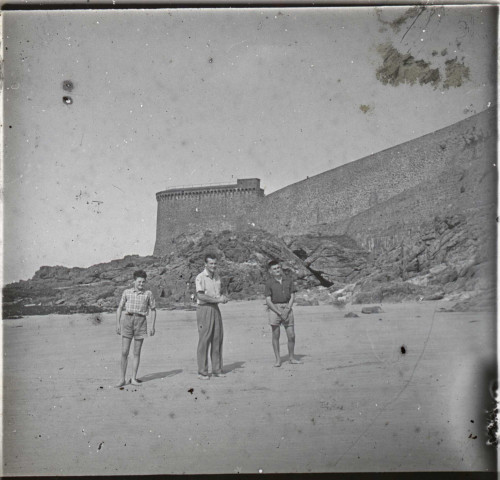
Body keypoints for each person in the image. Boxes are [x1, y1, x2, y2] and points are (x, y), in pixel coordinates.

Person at [115, 269, 156, 387]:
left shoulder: (148, 294)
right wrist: (117, 324)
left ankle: (133, 378)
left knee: (136, 352)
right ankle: (122, 379)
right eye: (139, 281)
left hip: (141, 322)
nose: (141, 284)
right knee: (124, 352)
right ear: (134, 281)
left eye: (143, 282)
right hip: (128, 321)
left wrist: (152, 325)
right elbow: (119, 308)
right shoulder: (126, 292)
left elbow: (153, 309)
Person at [195, 253, 229, 380]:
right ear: (205, 264)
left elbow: (219, 294)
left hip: (215, 308)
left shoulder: (217, 277)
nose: (214, 266)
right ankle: (202, 372)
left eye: (215, 263)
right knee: (204, 340)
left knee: (217, 338)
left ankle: (217, 369)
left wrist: (223, 298)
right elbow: (200, 296)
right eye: (211, 263)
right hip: (204, 309)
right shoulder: (200, 277)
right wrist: (218, 300)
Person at [265, 260, 302, 367]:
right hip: (274, 309)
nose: (277, 270)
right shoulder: (269, 282)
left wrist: (287, 309)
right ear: (270, 271)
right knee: (276, 335)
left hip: (287, 307)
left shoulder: (288, 280)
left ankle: (291, 357)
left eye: (278, 268)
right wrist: (278, 312)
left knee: (291, 335)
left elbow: (292, 296)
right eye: (274, 269)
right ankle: (278, 360)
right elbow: (268, 300)